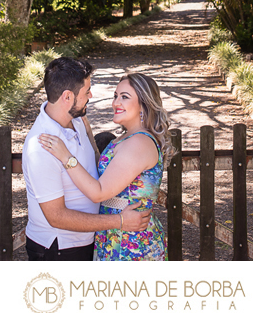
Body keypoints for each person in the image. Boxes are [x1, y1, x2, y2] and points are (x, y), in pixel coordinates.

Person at [22, 57, 151, 261]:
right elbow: (56, 216)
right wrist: (118, 221)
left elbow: (94, 173)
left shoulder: (77, 119)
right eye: (86, 91)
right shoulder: (42, 146)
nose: (91, 95)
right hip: (60, 248)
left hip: (88, 241)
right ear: (67, 97)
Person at [39, 72, 174, 260]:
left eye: (125, 97)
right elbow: (105, 170)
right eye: (115, 96)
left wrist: (66, 157)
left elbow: (99, 192)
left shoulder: (139, 143)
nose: (116, 103)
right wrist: (87, 133)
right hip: (115, 234)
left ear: (144, 105)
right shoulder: (127, 137)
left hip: (132, 241)